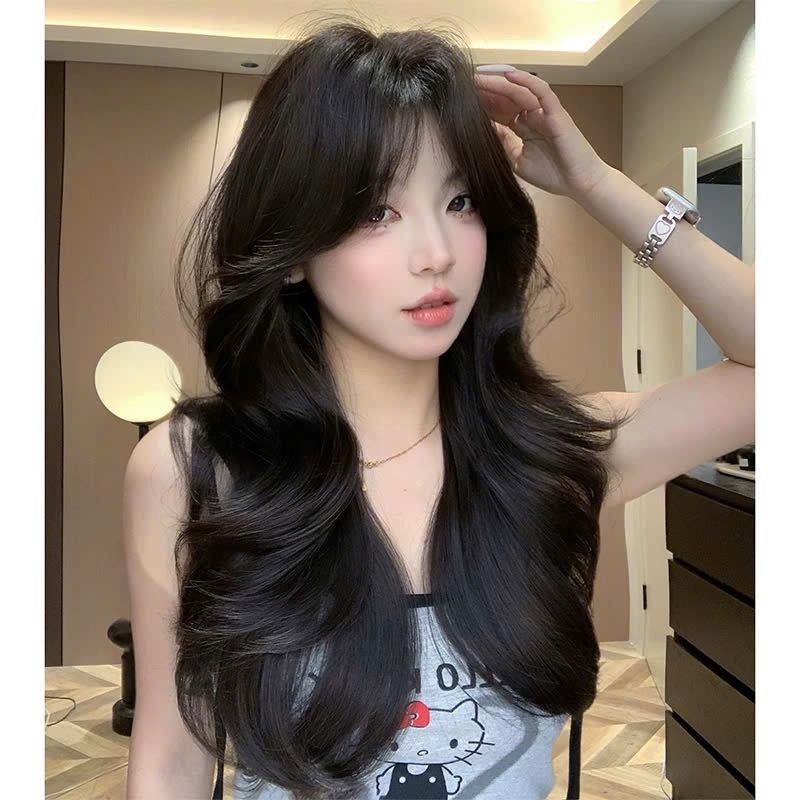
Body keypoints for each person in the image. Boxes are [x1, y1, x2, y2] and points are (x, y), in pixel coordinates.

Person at [121, 18, 755, 800]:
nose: (437, 254)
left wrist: (597, 183)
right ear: (291, 250)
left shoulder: (547, 454)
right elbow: (172, 760)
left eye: (461, 201)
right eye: (375, 212)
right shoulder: (198, 469)